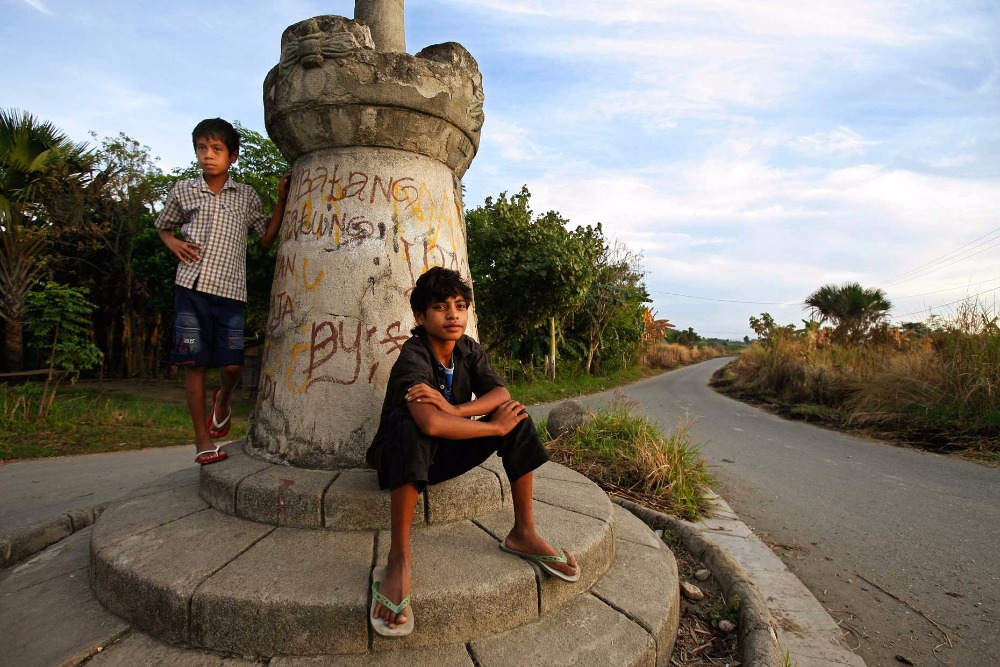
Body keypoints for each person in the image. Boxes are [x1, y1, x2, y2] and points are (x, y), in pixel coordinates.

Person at [365, 267, 581, 637]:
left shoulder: (468, 349)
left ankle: (524, 532)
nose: (453, 315)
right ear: (420, 316)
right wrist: (488, 426)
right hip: (399, 461)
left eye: (460, 306)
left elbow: (500, 394)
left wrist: (457, 409)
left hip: (444, 454)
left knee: (515, 416)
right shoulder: (413, 355)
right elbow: (429, 424)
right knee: (410, 423)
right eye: (440, 307)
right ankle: (398, 560)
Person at [156, 118, 291, 465]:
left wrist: (281, 199)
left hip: (231, 291)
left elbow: (265, 239)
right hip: (191, 288)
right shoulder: (184, 190)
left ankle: (224, 398)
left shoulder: (245, 195)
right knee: (195, 365)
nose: (207, 155)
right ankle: (202, 441)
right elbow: (164, 227)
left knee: (231, 366)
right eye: (201, 148)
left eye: (216, 149)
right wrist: (173, 243)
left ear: (232, 156)